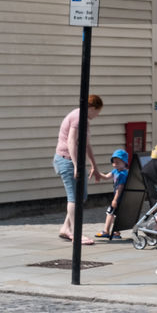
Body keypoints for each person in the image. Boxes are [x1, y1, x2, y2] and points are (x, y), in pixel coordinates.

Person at [53, 94, 103, 244]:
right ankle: (77, 234)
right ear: (92, 108)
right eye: (98, 111)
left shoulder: (85, 120)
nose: (97, 115)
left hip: (73, 161)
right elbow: (71, 142)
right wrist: (76, 165)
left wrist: (94, 165)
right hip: (66, 160)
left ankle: (65, 228)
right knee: (74, 198)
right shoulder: (78, 118)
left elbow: (85, 143)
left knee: (81, 196)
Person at [95, 149, 129, 241]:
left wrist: (115, 200)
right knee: (115, 215)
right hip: (118, 198)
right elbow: (106, 177)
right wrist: (98, 173)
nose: (115, 165)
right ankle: (116, 233)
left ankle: (106, 231)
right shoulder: (115, 171)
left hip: (119, 198)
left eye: (117, 162)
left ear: (124, 162)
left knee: (110, 213)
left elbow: (120, 188)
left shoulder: (123, 174)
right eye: (113, 162)